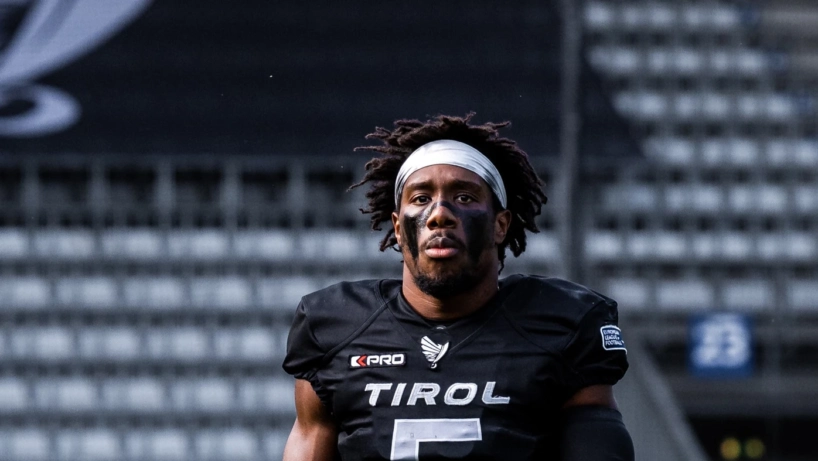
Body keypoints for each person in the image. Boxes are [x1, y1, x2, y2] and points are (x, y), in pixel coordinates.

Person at [282, 114, 634, 460]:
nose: (440, 214)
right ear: (398, 228)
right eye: (421, 198)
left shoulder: (563, 325)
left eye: (464, 197)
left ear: (500, 225)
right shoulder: (334, 327)